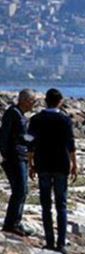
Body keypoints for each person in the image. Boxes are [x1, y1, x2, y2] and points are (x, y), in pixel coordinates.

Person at [28, 88, 78, 254]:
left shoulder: (36, 119)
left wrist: (31, 163)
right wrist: (74, 164)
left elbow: (30, 142)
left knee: (45, 205)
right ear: (60, 101)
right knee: (61, 205)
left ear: (45, 101)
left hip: (42, 163)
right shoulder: (64, 120)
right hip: (61, 164)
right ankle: (61, 243)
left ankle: (49, 241)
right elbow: (70, 144)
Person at [0, 88, 36, 236]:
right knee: (20, 190)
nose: (34, 104)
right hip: (14, 157)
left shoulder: (20, 114)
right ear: (25, 101)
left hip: (21, 156)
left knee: (23, 190)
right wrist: (4, 155)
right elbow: (5, 136)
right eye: (32, 101)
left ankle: (16, 222)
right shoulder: (12, 113)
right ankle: (11, 224)